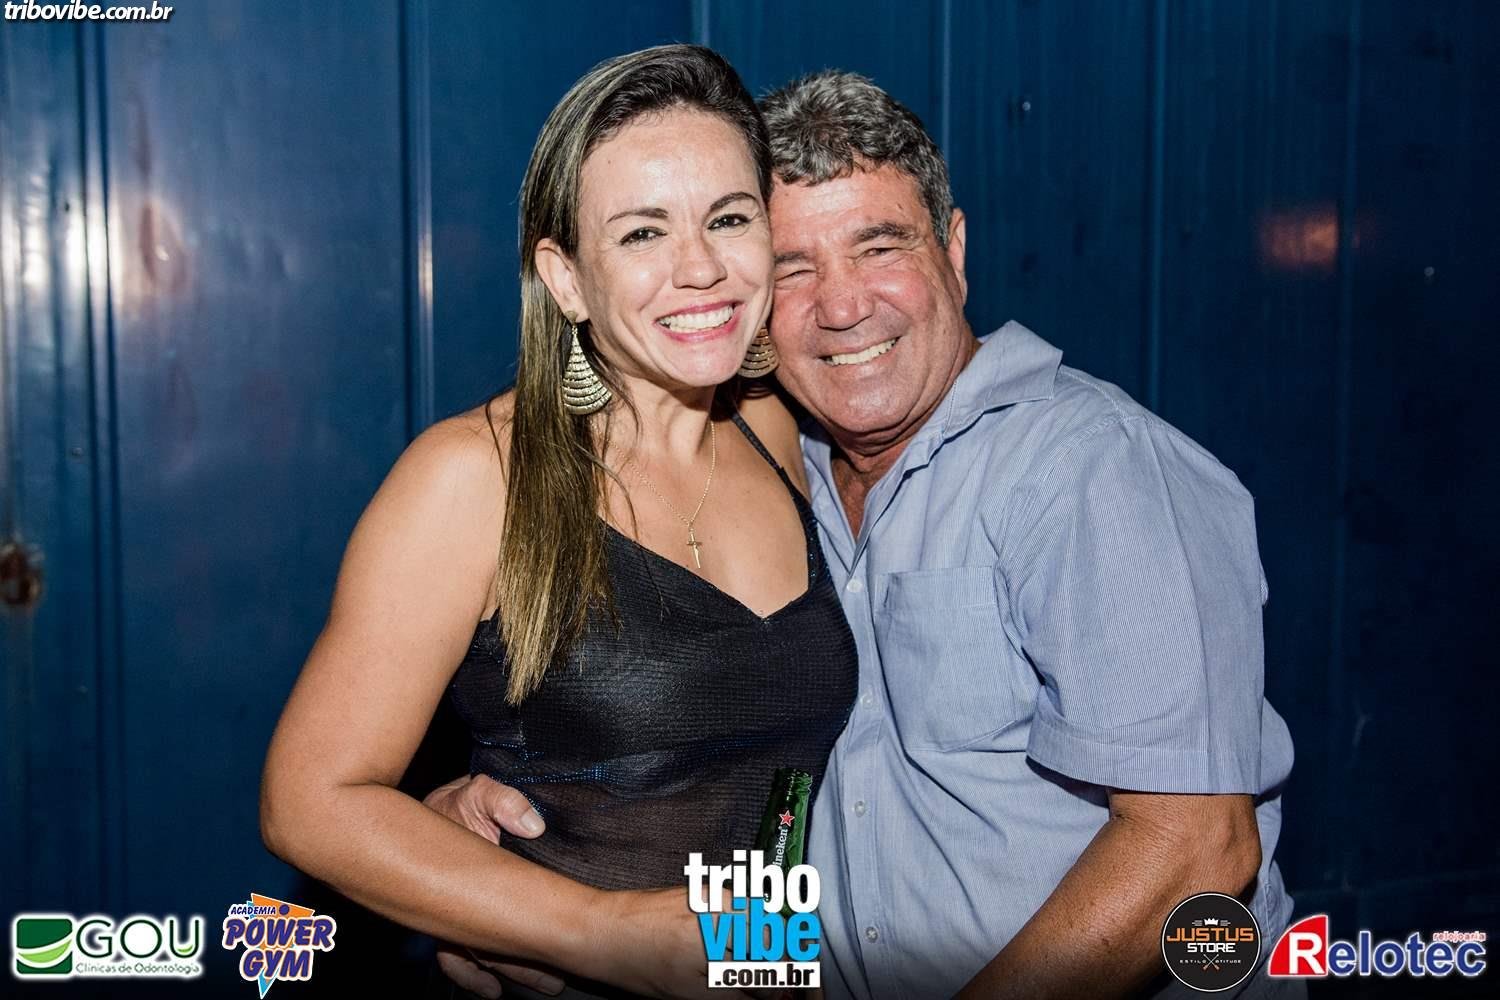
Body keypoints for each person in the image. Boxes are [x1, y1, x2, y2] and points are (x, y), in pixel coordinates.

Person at [434, 70, 1299, 1000]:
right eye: (793, 267)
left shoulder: (1093, 469)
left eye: (879, 246)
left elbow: (1196, 847)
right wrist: (486, 858)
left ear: (954, 251)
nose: (842, 306)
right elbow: (708, 751)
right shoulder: (779, 466)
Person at [259, 45, 857, 1000]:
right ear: (566, 278)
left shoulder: (777, 430)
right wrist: (598, 933)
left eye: (729, 218)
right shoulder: (476, 478)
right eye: (642, 233)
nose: (701, 267)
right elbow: (310, 803)